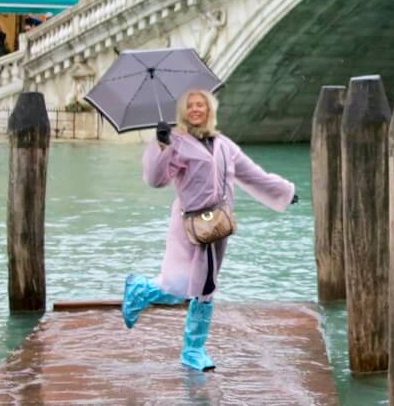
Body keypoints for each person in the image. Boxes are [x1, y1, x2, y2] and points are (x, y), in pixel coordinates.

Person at [122, 89, 297, 372]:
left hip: (218, 224)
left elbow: (252, 175)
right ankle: (193, 349)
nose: (195, 109)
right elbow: (156, 180)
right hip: (190, 225)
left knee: (189, 285)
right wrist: (161, 145)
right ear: (183, 111)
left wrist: (286, 193)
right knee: (202, 286)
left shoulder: (223, 144)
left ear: (209, 110)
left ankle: (140, 291)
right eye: (190, 105)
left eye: (200, 104)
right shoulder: (176, 142)